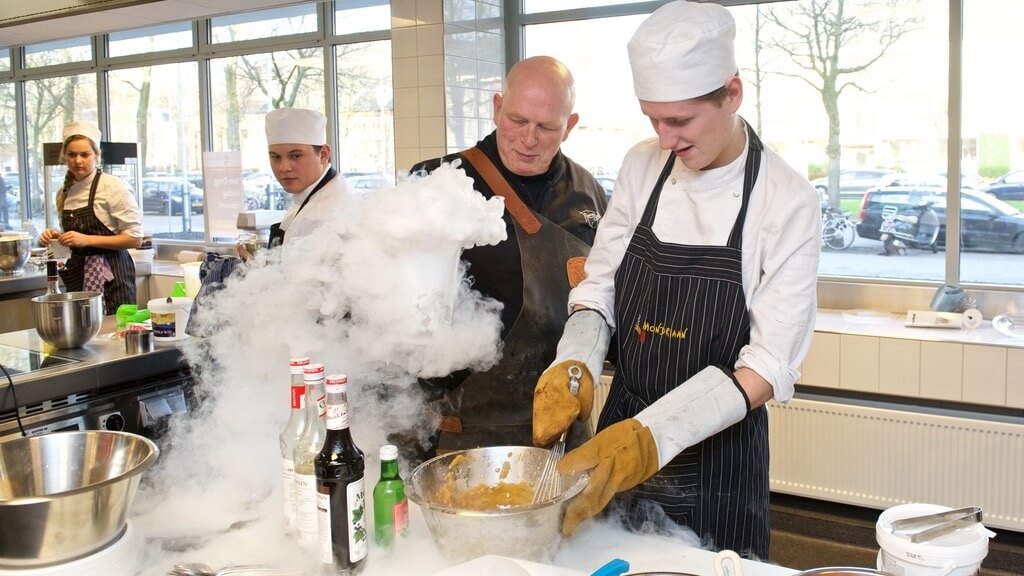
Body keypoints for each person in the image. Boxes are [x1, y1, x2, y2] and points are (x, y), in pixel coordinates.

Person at [532, 1, 821, 559]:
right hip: (616, 446)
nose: (664, 139)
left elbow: (767, 366)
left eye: (680, 121)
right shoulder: (644, 166)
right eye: (652, 119)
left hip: (717, 463)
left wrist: (652, 437)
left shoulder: (785, 199)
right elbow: (600, 287)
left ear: (731, 95)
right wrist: (576, 361)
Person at [408, 55, 608, 456]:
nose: (528, 139)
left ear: (569, 126)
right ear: (497, 107)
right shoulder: (438, 182)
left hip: (563, 431)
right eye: (517, 120)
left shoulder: (587, 191)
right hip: (463, 434)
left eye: (547, 127)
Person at [38, 122, 143, 315]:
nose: (78, 160)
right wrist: (56, 237)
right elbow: (75, 237)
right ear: (64, 157)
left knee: (115, 336)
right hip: (79, 277)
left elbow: (135, 238)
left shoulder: (113, 187)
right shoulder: (63, 192)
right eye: (72, 155)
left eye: (85, 154)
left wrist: (86, 240)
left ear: (96, 155)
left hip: (113, 277)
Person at [238, 107, 347, 259]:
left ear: (323, 154)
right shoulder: (305, 197)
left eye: (296, 156)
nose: (284, 168)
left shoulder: (333, 211)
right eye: (275, 157)